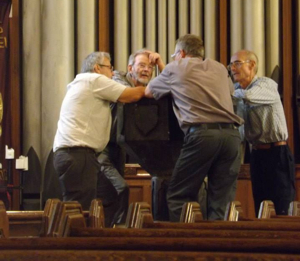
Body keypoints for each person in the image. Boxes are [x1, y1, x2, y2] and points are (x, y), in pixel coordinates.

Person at [145, 34, 243, 221]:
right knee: (222, 202)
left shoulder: (175, 67)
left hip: (202, 136)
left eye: (175, 55)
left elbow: (149, 91)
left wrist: (162, 66)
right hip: (231, 136)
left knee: (178, 196)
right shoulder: (220, 67)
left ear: (181, 53)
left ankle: (186, 246)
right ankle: (218, 247)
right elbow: (230, 92)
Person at [53, 51, 145, 210]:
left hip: (72, 155)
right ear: (97, 68)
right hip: (78, 154)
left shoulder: (82, 82)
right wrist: (158, 85)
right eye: (110, 68)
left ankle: (96, 233)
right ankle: (77, 235)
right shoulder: (94, 80)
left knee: (97, 199)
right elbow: (132, 95)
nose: (113, 73)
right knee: (79, 209)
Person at [97, 49, 165, 226]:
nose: (146, 70)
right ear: (130, 67)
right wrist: (148, 89)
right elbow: (129, 91)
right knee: (120, 190)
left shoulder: (140, 88)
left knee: (116, 195)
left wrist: (161, 66)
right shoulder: (117, 80)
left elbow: (169, 87)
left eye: (150, 67)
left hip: (119, 149)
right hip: (102, 147)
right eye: (141, 65)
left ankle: (115, 234)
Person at [229, 49, 295, 216]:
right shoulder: (237, 91)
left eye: (237, 63)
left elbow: (249, 96)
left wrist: (225, 93)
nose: (232, 68)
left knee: (281, 207)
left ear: (252, 65)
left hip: (277, 154)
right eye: (231, 65)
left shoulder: (266, 84)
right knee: (261, 207)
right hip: (256, 155)